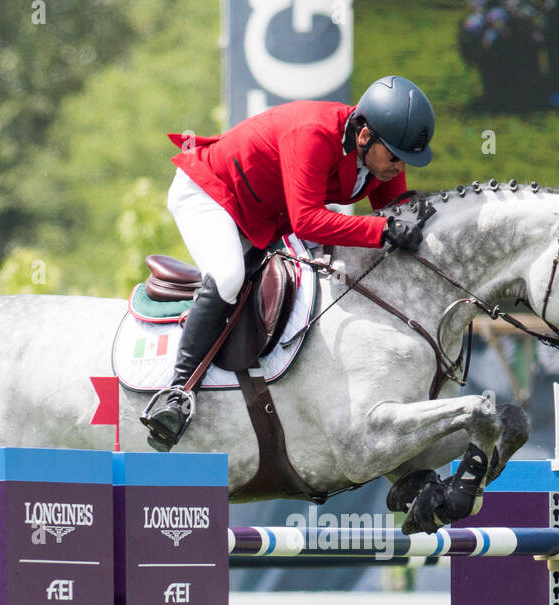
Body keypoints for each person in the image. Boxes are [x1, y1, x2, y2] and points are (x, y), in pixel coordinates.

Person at [140, 75, 437, 452]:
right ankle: (176, 392)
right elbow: (308, 221)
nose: (399, 167)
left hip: (263, 216)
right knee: (229, 276)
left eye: (407, 160)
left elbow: (395, 214)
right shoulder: (313, 134)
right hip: (210, 194)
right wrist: (384, 231)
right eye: (396, 157)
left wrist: (416, 221)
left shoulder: (379, 155)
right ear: (364, 137)